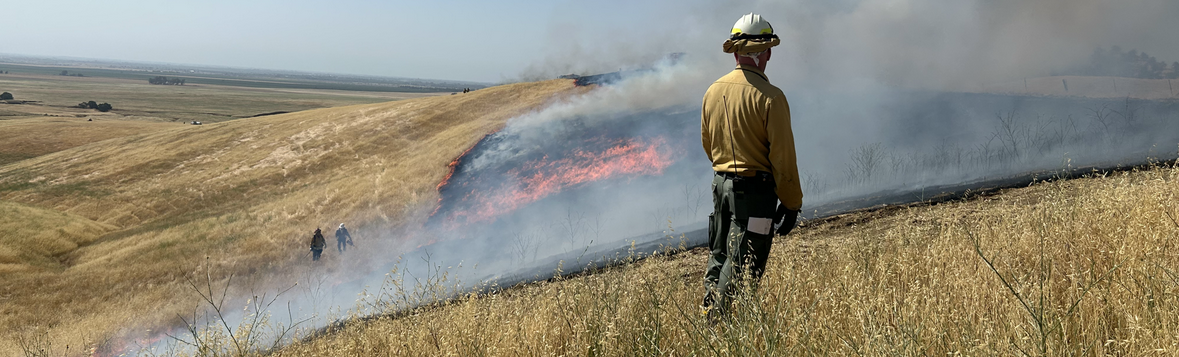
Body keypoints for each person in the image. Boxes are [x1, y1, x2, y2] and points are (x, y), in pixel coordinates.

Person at [699, 13, 803, 319]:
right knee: (744, 265)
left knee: (719, 258)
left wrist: (726, 174)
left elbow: (709, 145)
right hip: (755, 195)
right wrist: (791, 202)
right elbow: (782, 158)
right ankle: (723, 329)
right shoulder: (771, 98)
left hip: (721, 187)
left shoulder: (712, 91)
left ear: (736, 52)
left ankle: (708, 316)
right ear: (766, 52)